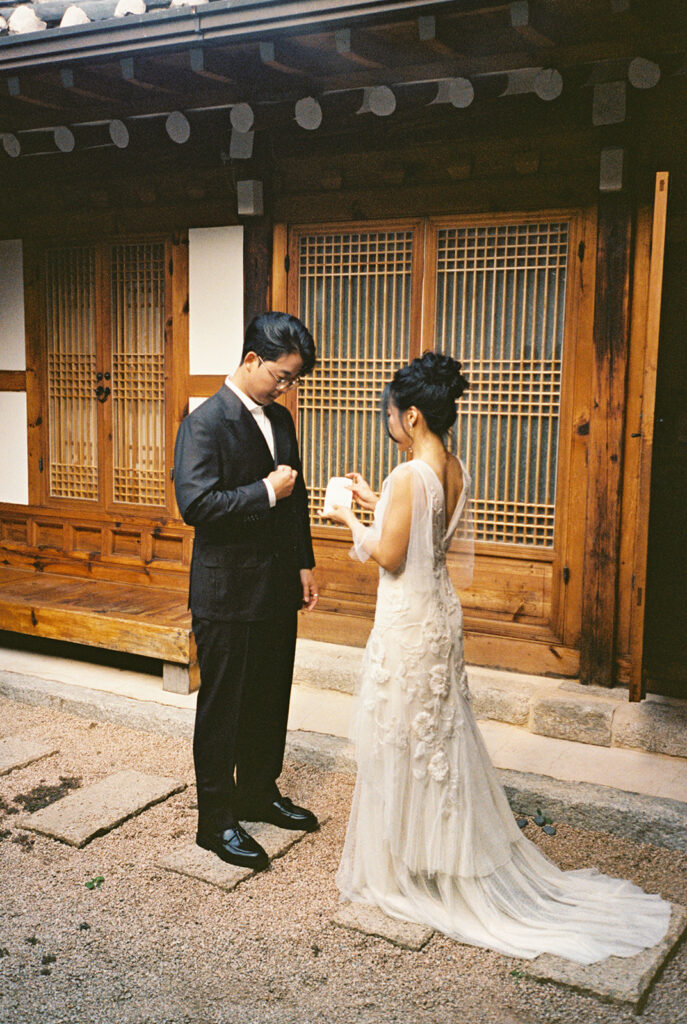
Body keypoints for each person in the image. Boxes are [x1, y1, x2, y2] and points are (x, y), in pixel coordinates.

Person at [323, 351, 671, 964]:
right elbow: (426, 530)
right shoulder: (453, 467)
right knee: (437, 741)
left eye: (392, 417)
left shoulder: (410, 475)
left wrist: (347, 515)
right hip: (440, 619)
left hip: (409, 623)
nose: (389, 424)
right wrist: (377, 498)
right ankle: (436, 853)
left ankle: (409, 867)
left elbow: (392, 555)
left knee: (403, 737)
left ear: (411, 417)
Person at [173, 312, 319, 872]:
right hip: (226, 590)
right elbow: (197, 505)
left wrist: (304, 565)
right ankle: (215, 822)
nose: (287, 387)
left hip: (277, 582)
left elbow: (297, 498)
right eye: (282, 376)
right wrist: (263, 489)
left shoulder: (281, 420)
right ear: (253, 359)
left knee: (268, 695)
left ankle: (260, 792)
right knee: (223, 707)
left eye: (293, 379)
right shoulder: (205, 422)